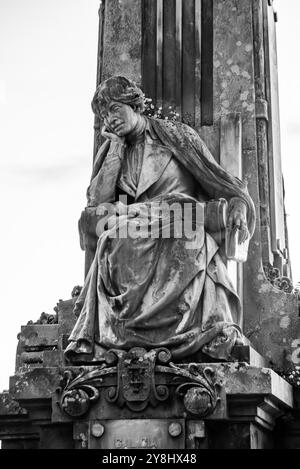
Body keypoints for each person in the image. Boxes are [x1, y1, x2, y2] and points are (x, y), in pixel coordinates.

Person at [65, 76, 255, 363]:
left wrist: (238, 205)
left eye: (115, 109)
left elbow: (222, 184)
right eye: (104, 116)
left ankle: (196, 332)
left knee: (187, 236)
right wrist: (115, 148)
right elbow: (97, 204)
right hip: (134, 228)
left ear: (134, 104)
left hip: (180, 221)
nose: (110, 119)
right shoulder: (114, 151)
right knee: (114, 238)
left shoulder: (176, 136)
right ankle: (125, 333)